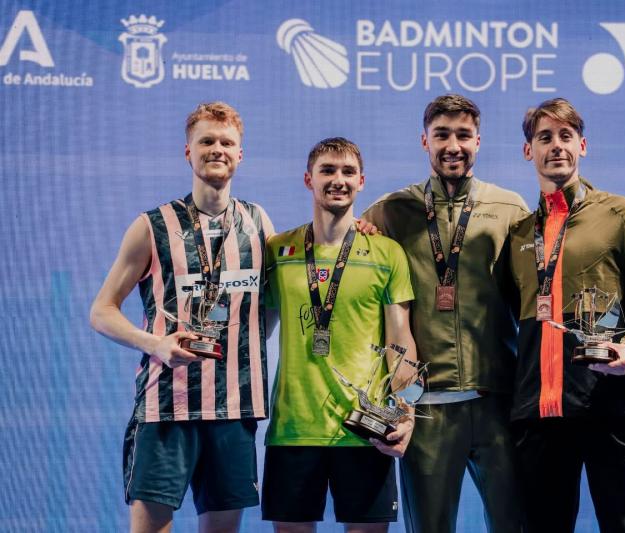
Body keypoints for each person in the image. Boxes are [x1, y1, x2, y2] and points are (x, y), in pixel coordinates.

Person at [89, 102, 273, 532]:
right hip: (165, 408)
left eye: (226, 142)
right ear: (188, 152)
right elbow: (101, 310)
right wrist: (156, 344)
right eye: (206, 141)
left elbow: (285, 290)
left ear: (240, 154)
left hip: (234, 409)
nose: (217, 149)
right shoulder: (152, 226)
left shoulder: (258, 222)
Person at [509, 97, 625, 532]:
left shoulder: (622, 215)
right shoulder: (517, 234)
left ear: (582, 145)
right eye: (544, 137)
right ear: (529, 150)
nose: (556, 145)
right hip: (539, 416)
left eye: (566, 136)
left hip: (612, 409)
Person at [362, 94, 528, 533]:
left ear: (478, 141)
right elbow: (351, 268)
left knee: (516, 525)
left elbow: (534, 296)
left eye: (463, 135)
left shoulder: (511, 209)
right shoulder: (389, 211)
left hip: (496, 403)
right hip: (425, 408)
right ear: (425, 141)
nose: (453, 145)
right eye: (442, 135)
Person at [261, 137, 417, 533]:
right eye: (327, 170)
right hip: (293, 430)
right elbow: (256, 332)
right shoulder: (278, 251)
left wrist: (407, 413)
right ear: (308, 179)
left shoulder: (387, 253)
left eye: (348, 172)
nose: (338, 180)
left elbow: (401, 342)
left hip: (365, 429)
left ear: (361, 181)